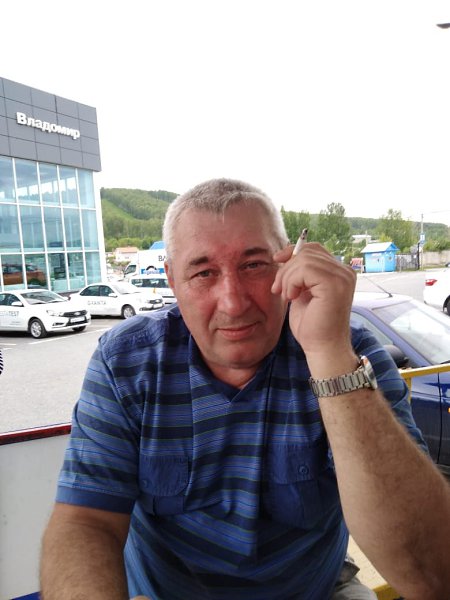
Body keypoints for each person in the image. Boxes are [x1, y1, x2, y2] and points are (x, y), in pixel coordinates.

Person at [40, 179, 450, 600]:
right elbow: (86, 522)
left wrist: (329, 354)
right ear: (172, 280)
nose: (233, 303)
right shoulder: (127, 362)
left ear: (288, 262)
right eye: (203, 273)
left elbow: (430, 575)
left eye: (254, 265)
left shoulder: (348, 350)